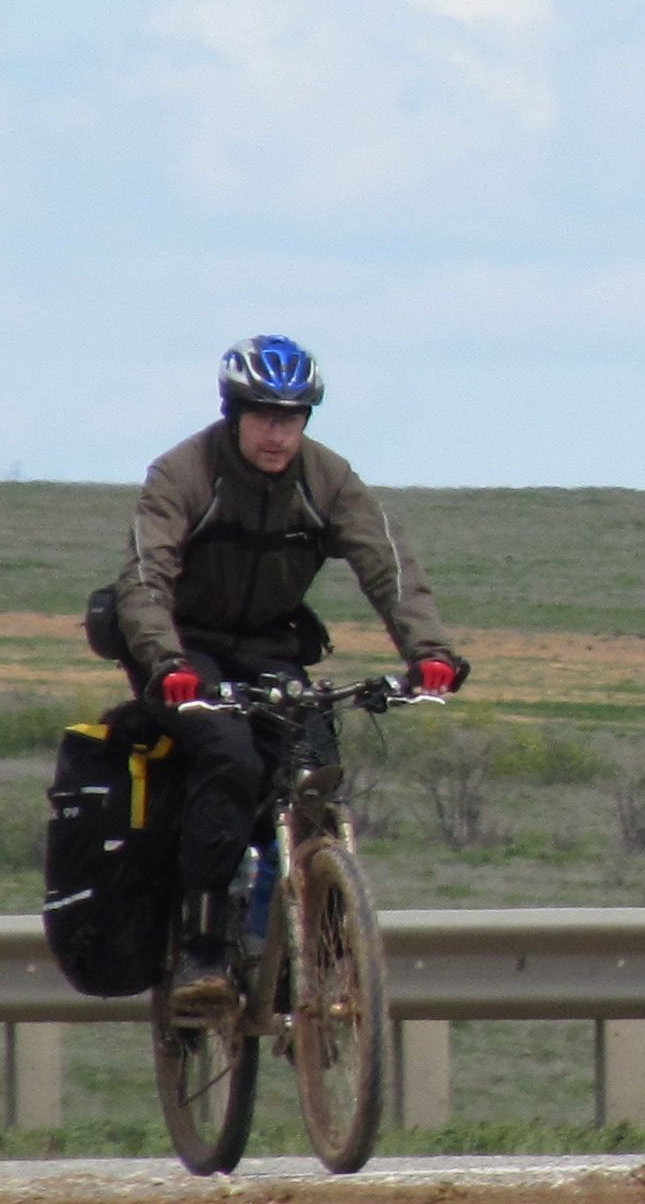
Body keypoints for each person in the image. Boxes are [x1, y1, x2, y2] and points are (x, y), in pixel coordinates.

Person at [114, 336, 467, 1011]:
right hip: (186, 649)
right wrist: (167, 662)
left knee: (314, 769)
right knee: (230, 757)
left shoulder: (326, 478)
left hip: (270, 647)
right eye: (264, 417)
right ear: (234, 413)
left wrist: (429, 653)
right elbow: (145, 577)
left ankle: (305, 946)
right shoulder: (184, 473)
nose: (278, 435)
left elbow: (387, 564)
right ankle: (204, 951)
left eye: (292, 418)